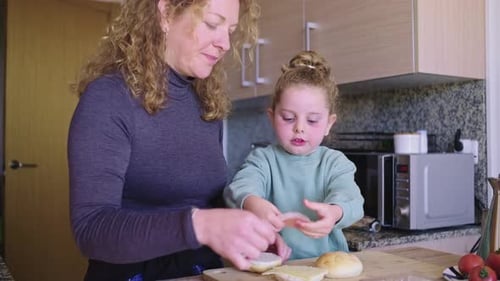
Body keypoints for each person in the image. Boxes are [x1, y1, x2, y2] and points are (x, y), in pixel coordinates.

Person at [67, 1, 291, 280]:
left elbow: (204, 201)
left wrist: (246, 234)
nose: (224, 43)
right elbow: (92, 230)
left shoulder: (206, 103)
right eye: (212, 23)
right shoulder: (109, 98)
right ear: (166, 14)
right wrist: (201, 226)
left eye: (230, 30)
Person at [224, 50, 365, 260]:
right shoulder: (263, 160)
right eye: (289, 118)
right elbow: (240, 187)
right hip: (274, 267)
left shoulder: (335, 163)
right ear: (272, 118)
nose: (299, 128)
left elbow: (351, 199)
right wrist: (253, 202)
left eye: (313, 120)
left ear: (329, 124)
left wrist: (334, 212)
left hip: (324, 267)